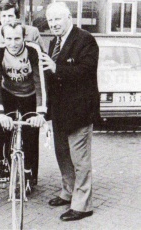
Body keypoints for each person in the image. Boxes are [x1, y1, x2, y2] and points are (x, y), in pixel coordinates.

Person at [40, 2, 100, 221]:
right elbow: (50, 79)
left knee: (80, 159)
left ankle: (83, 205)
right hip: (59, 111)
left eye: (58, 19)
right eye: (50, 20)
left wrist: (57, 68)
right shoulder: (54, 42)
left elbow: (86, 71)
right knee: (63, 154)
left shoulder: (85, 40)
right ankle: (68, 192)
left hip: (80, 111)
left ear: (69, 18)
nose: (54, 24)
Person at [0, 0, 45, 186]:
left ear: (24, 38)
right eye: (8, 39)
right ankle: (1, 164)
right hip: (8, 92)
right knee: (1, 129)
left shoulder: (33, 50)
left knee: (30, 134)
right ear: (3, 38)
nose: (13, 43)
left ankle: (29, 172)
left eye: (17, 39)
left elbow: (40, 81)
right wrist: (0, 113)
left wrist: (41, 113)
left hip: (29, 94)